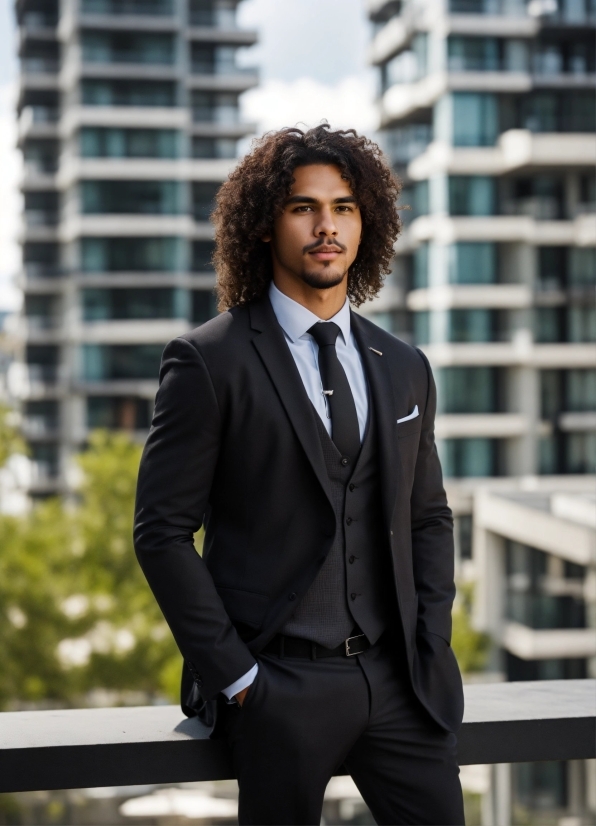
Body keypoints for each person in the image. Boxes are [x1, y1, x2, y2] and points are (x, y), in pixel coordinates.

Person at [133, 124, 465, 826]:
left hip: (398, 684)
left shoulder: (403, 365)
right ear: (263, 225)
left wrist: (429, 641)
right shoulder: (208, 361)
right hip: (277, 688)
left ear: (364, 223)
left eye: (344, 207)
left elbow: (427, 515)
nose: (326, 226)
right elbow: (161, 533)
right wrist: (241, 679)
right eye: (302, 207)